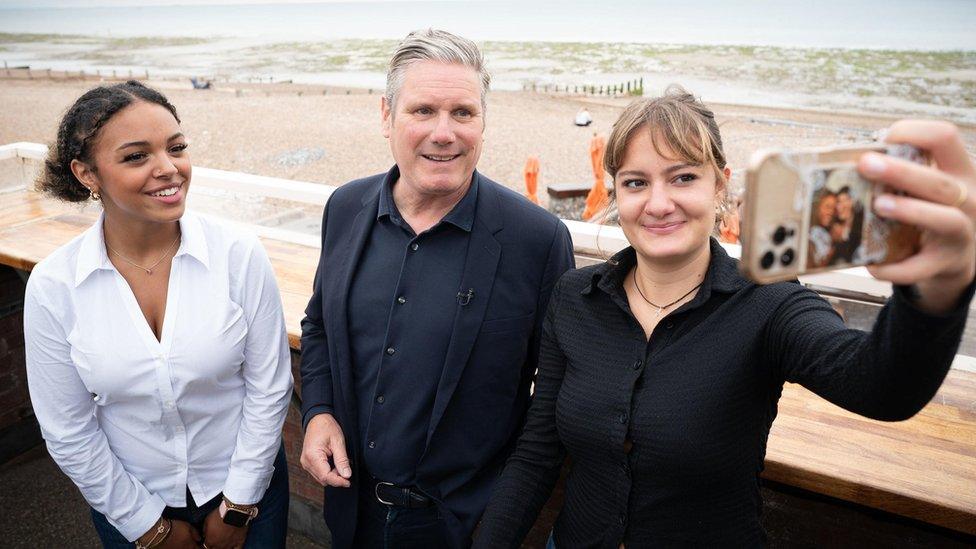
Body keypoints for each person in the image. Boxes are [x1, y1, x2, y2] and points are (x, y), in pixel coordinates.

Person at [474, 87, 975, 547]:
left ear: (721, 187)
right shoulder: (575, 297)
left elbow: (880, 386)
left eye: (684, 177)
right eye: (635, 182)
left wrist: (931, 293)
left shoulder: (769, 303)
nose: (659, 203)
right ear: (617, 196)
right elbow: (537, 453)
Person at [298, 29, 575, 549]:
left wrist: (496, 531)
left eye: (463, 113)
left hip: (462, 528)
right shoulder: (344, 208)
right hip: (350, 511)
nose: (444, 133)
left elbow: (551, 403)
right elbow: (317, 324)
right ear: (386, 116)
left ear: (483, 122)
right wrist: (317, 412)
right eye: (422, 110)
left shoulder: (537, 240)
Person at [24, 81, 293, 549]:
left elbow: (269, 386)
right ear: (87, 174)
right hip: (130, 499)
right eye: (136, 156)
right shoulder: (54, 286)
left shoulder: (238, 254)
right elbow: (67, 428)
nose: (168, 169)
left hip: (246, 488)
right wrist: (146, 525)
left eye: (177, 148)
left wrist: (240, 505)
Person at [830, 185, 865, 264]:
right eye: (838, 202)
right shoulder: (834, 228)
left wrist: (843, 235)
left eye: (845, 200)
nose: (840, 207)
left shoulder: (861, 227)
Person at [809, 189, 837, 267]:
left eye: (834, 209)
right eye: (827, 207)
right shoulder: (808, 234)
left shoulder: (832, 236)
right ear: (818, 207)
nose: (831, 212)